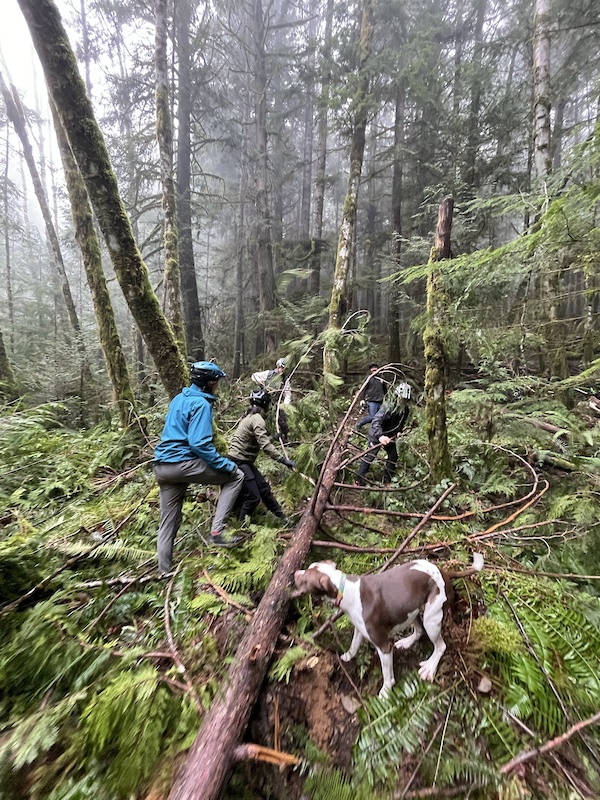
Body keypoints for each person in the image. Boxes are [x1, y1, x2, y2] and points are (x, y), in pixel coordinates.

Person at [153, 361, 246, 573]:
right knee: (236, 476)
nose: (217, 387)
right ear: (210, 383)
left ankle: (164, 572)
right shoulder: (201, 404)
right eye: (217, 383)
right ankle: (217, 532)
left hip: (162, 468)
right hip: (182, 465)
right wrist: (225, 465)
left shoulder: (178, 399)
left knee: (168, 522)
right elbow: (200, 444)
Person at [228, 390, 296, 526]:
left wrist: (273, 438)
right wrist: (283, 460)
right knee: (253, 497)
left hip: (243, 461)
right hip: (238, 462)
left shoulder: (249, 417)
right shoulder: (257, 419)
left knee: (264, 489)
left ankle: (283, 519)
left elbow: (258, 440)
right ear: (265, 405)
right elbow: (265, 446)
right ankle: (241, 526)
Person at [355, 382, 412, 486]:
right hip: (377, 434)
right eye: (403, 399)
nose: (405, 401)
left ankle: (387, 480)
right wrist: (380, 436)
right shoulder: (388, 407)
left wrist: (398, 431)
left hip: (390, 435)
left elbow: (401, 422)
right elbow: (376, 421)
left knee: (393, 456)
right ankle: (358, 480)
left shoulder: (405, 410)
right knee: (370, 455)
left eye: (406, 400)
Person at [251, 357, 291, 442]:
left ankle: (284, 438)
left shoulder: (285, 379)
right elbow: (254, 376)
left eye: (283, 368)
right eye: (280, 367)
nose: (281, 370)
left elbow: (287, 394)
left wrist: (284, 405)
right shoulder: (268, 374)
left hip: (276, 403)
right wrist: (261, 384)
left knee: (282, 420)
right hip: (264, 401)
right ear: (277, 366)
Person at [356, 363, 386, 429]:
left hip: (381, 401)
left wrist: (386, 398)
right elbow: (363, 389)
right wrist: (362, 399)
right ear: (371, 370)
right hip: (372, 401)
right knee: (372, 416)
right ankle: (359, 424)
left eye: (375, 369)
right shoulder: (368, 378)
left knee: (381, 417)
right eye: (373, 370)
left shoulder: (381, 378)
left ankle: (377, 431)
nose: (374, 371)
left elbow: (385, 389)